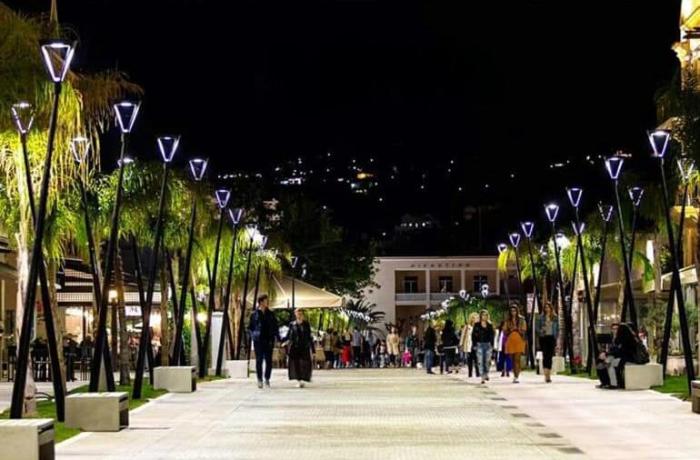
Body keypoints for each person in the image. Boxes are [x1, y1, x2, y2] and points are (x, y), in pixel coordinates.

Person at [597, 323, 645, 389]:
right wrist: (607, 354)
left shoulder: (626, 340)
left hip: (631, 360)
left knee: (610, 363)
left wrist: (607, 354)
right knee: (607, 361)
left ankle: (613, 384)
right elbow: (617, 350)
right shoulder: (630, 338)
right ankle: (610, 382)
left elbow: (621, 352)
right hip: (628, 359)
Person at [248, 294, 279, 389]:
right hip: (258, 340)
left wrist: (277, 338)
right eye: (266, 300)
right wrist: (253, 335)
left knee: (269, 361)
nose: (267, 302)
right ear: (261, 302)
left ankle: (267, 378)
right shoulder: (254, 314)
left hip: (269, 340)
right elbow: (250, 328)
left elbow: (275, 326)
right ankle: (259, 379)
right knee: (259, 360)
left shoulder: (271, 314)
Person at [283, 309, 315, 388]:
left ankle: (304, 378)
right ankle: (299, 380)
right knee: (295, 363)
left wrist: (313, 349)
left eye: (301, 314)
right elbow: (288, 335)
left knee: (305, 363)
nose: (299, 315)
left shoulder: (306, 324)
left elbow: (309, 337)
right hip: (295, 347)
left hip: (304, 347)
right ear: (295, 314)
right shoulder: (292, 324)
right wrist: (284, 341)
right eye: (298, 314)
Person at [504, 304, 527, 383]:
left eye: (514, 311)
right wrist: (510, 330)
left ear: (517, 311)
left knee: (517, 359)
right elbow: (504, 330)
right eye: (511, 311)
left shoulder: (521, 319)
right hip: (511, 339)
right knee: (513, 359)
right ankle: (514, 375)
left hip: (519, 339)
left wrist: (518, 330)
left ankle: (517, 376)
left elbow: (524, 329)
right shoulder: (508, 320)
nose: (513, 312)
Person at [536, 302, 559, 383]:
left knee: (550, 356)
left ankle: (548, 374)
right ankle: (546, 376)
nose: (547, 309)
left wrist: (556, 338)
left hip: (551, 338)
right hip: (544, 337)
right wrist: (541, 330)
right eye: (545, 307)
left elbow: (557, 328)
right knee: (545, 355)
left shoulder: (555, 317)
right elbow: (537, 328)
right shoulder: (541, 317)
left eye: (548, 307)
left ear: (551, 308)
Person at [472, 309, 495, 384]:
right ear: (480, 316)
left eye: (485, 315)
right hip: (479, 344)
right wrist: (474, 344)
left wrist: (492, 345)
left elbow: (492, 336)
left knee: (487, 361)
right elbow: (473, 335)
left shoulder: (490, 325)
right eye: (483, 315)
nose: (484, 316)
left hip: (488, 344)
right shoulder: (477, 325)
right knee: (480, 361)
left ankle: (486, 373)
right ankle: (482, 376)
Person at [460, 313, 479, 378]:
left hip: (476, 345)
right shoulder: (467, 327)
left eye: (476, 318)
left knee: (477, 359)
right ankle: (470, 373)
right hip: (469, 345)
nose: (475, 319)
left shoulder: (478, 327)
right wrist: (461, 344)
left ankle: (478, 373)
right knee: (470, 360)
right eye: (473, 318)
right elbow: (463, 336)